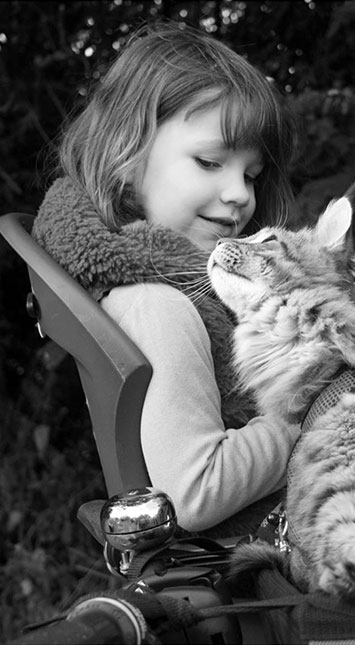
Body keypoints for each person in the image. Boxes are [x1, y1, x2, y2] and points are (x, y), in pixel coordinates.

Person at [33, 22, 298, 534]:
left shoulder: (170, 286)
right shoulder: (158, 304)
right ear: (126, 158)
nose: (240, 194)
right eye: (209, 162)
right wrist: (312, 416)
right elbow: (195, 491)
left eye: (251, 175)